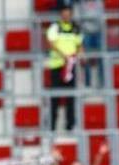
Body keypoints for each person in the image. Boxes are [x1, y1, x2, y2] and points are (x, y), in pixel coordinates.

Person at [45, 5, 82, 133]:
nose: (66, 14)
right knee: (55, 97)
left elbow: (79, 45)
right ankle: (52, 126)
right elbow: (51, 43)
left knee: (70, 97)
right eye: (64, 12)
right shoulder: (55, 27)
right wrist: (63, 55)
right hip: (57, 66)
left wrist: (79, 55)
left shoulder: (75, 28)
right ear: (61, 14)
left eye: (68, 12)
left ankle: (70, 126)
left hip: (70, 66)